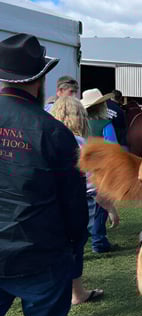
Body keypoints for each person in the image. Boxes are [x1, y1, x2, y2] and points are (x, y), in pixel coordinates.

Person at [0, 33, 88, 316]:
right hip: (41, 252)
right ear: (39, 80)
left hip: (32, 249)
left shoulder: (54, 131)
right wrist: (76, 242)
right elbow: (74, 201)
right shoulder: (53, 131)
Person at [50, 96, 105, 304]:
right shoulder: (82, 144)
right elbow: (93, 183)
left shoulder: (46, 138)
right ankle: (76, 293)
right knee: (75, 248)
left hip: (49, 205)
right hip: (78, 204)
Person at [81, 88, 119, 252]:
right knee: (100, 207)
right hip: (99, 171)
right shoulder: (105, 124)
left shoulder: (79, 124)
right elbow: (113, 149)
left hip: (81, 168)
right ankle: (99, 241)